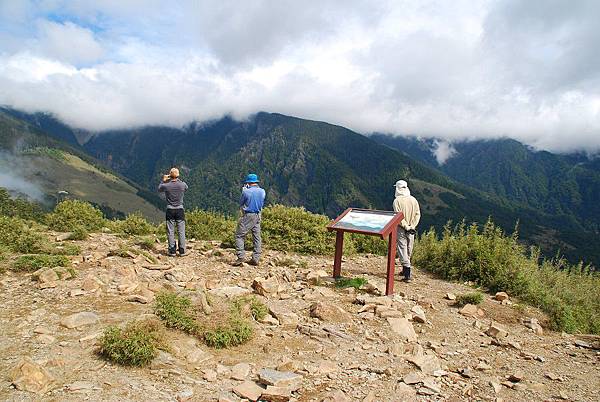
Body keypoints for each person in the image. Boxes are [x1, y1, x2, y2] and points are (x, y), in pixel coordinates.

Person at [233, 173, 266, 266]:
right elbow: (262, 201)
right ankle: (256, 258)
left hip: (249, 215)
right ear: (256, 182)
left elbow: (241, 202)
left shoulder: (246, 192)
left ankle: (241, 257)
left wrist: (244, 190)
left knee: (239, 235)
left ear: (248, 183)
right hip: (258, 214)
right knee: (257, 236)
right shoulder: (262, 191)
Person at [393, 179, 420, 282]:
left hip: (401, 228)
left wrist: (405, 226)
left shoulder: (397, 201)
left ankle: (407, 273)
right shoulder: (414, 200)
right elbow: (417, 214)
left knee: (402, 248)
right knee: (409, 248)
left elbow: (398, 216)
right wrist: (412, 226)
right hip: (412, 228)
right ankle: (405, 270)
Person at [158, 168, 188, 256]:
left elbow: (159, 189)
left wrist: (163, 180)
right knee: (181, 231)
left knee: (170, 231)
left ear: (170, 176)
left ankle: (172, 251)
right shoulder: (182, 185)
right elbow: (186, 187)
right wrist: (177, 178)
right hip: (180, 209)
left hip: (170, 209)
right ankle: (182, 250)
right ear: (178, 175)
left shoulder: (166, 186)